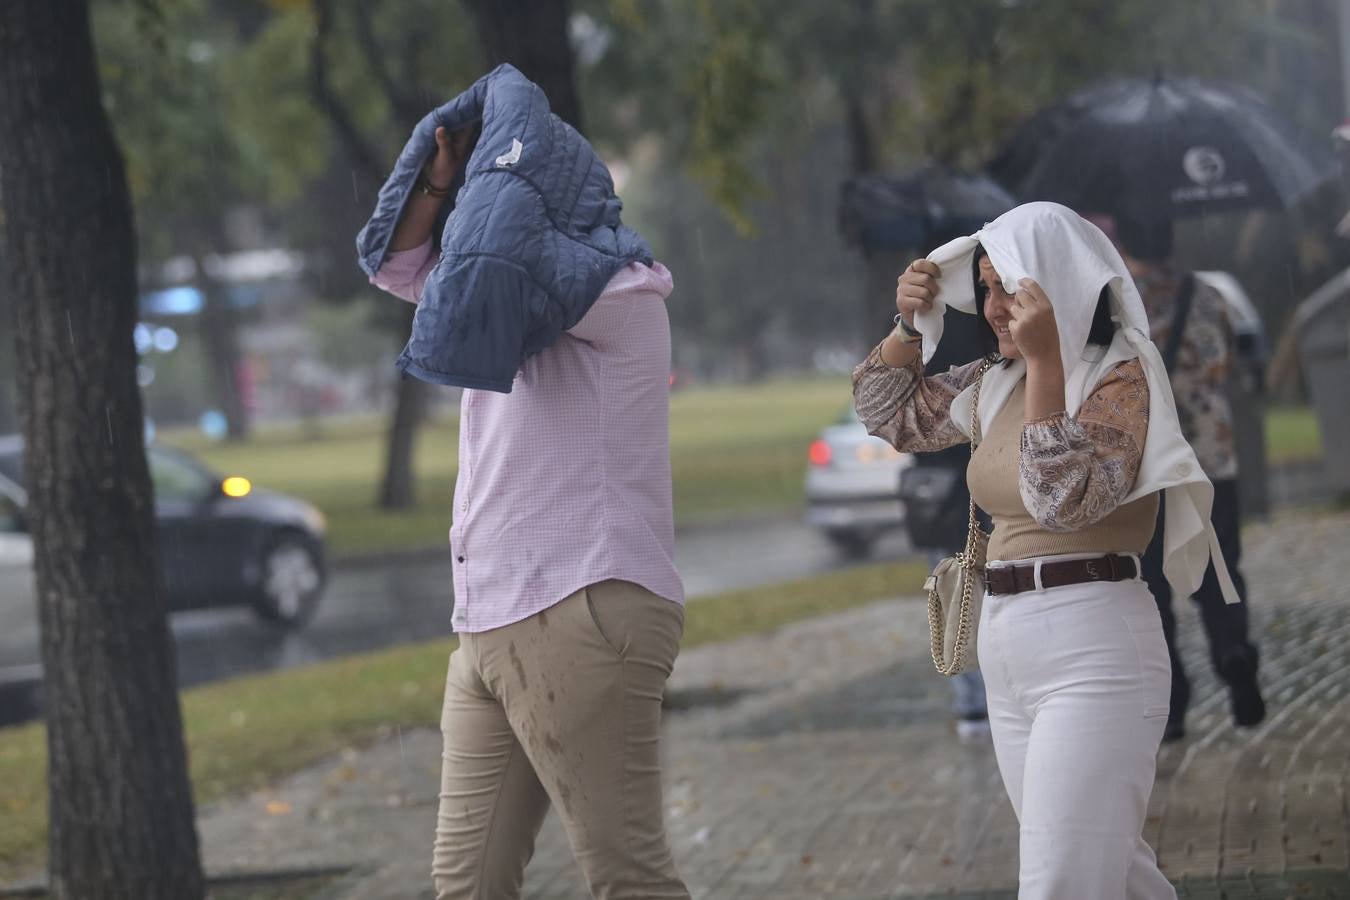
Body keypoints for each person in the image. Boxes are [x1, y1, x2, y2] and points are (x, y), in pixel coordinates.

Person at [854, 202, 1238, 898]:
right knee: (1116, 878)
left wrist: (1047, 365)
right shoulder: (994, 382)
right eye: (985, 288)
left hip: (1096, 649)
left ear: (1058, 284)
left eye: (1011, 287)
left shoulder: (1123, 378)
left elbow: (1062, 499)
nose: (995, 307)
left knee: (1061, 883)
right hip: (1009, 649)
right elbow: (890, 414)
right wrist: (909, 327)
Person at [368, 122, 691, 898]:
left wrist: (504, 180)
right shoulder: (485, 296)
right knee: (467, 886)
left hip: (581, 606)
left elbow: (511, 259)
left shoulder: (624, 292)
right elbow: (396, 264)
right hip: (487, 624)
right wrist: (441, 179)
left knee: (629, 881)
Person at [1108, 212, 1265, 741]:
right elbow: (1226, 364)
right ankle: (1234, 652)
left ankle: (1173, 701)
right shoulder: (1208, 294)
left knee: (1152, 584)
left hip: (1150, 468)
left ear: (1125, 244)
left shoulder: (1120, 308)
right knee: (1221, 572)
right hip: (1212, 462)